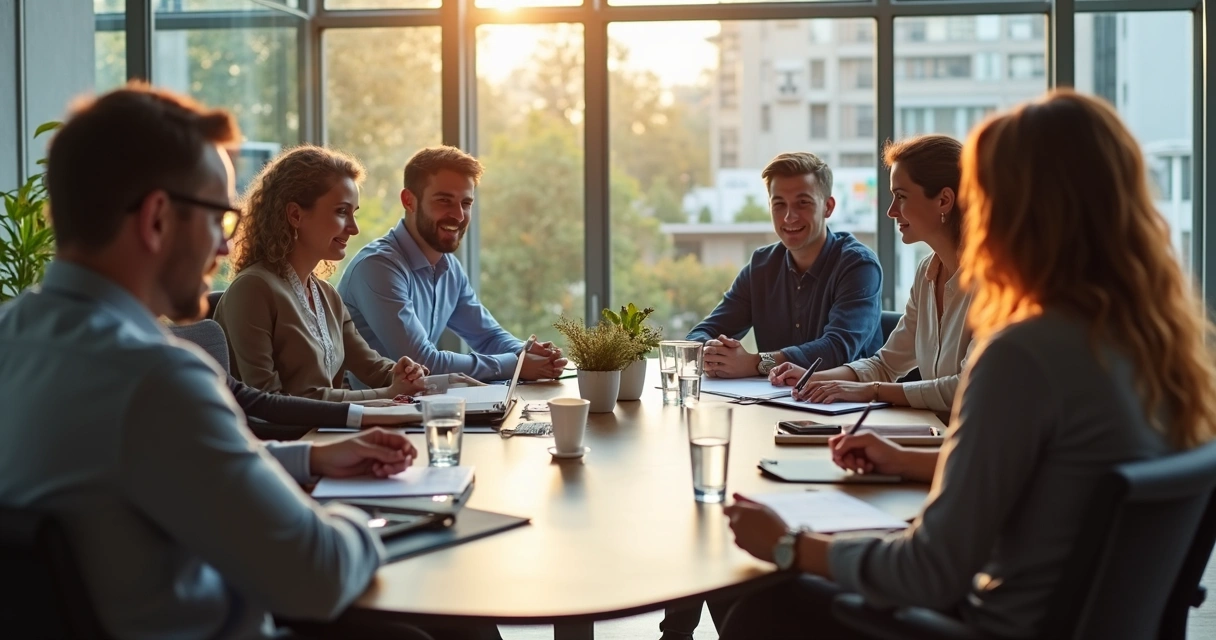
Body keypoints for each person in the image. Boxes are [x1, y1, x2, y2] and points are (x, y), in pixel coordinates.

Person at [719, 90, 1216, 639]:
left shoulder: (1024, 354)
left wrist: (789, 544)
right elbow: (1044, 476)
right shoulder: (1156, 344)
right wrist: (908, 459)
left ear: (1019, 206)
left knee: (761, 604)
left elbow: (928, 572)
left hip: (989, 625)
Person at [0, 84, 431, 639]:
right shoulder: (156, 380)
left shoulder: (17, 341)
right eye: (219, 219)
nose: (226, 248)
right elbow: (317, 576)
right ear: (157, 218)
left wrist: (311, 462)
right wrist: (368, 520)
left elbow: (165, 465)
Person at [768, 135, 973, 420]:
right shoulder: (927, 273)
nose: (891, 211)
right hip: (938, 439)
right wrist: (815, 378)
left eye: (901, 196)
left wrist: (873, 391)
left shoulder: (995, 284)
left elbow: (966, 388)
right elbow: (885, 364)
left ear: (944, 200)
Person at [214, 145, 430, 400]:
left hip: (328, 431)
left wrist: (403, 373)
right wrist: (384, 396)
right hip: (281, 438)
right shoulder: (252, 289)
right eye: (341, 212)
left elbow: (372, 367)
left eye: (354, 213)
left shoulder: (326, 295)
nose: (354, 228)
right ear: (295, 214)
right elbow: (268, 402)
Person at [337, 145, 566, 382]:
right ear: (409, 201)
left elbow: (487, 336)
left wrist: (527, 352)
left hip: (416, 408)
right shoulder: (378, 267)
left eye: (466, 203)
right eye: (444, 201)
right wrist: (516, 364)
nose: (458, 215)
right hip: (372, 412)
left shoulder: (448, 267)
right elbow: (424, 361)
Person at [686, 151, 883, 380]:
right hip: (776, 405)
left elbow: (836, 349)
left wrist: (755, 363)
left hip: (850, 407)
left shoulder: (858, 265)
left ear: (828, 207)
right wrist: (714, 353)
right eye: (779, 204)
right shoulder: (761, 266)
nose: (789, 217)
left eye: (803, 203)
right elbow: (699, 334)